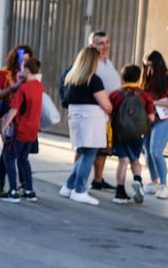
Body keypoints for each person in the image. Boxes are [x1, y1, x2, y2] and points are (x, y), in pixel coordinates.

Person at [60, 47, 113, 206]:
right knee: (89, 155)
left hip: (76, 119)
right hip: (91, 121)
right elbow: (107, 105)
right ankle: (80, 190)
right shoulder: (93, 80)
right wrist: (109, 107)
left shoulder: (71, 78)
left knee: (83, 154)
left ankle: (68, 186)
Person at [0, 55, 45, 203]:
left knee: (9, 157)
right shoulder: (39, 86)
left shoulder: (23, 88)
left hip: (21, 129)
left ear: (26, 69)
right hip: (33, 130)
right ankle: (29, 190)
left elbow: (14, 110)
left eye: (22, 68)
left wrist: (4, 126)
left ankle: (13, 191)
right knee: (24, 159)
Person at [0, 44, 33, 197]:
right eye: (22, 60)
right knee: (7, 151)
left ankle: (23, 186)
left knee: (22, 154)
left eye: (28, 61)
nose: (24, 64)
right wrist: (14, 87)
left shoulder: (31, 76)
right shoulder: (5, 73)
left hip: (25, 119)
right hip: (8, 117)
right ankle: (1, 183)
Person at [109, 64, 154, 205]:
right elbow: (152, 118)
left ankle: (120, 192)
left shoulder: (116, 94)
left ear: (122, 77)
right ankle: (137, 180)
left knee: (123, 161)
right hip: (138, 134)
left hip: (120, 133)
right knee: (135, 160)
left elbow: (109, 113)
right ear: (139, 77)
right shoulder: (145, 95)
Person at [142, 50, 168, 200]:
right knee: (147, 151)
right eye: (145, 66)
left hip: (165, 119)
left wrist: (153, 102)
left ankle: (164, 185)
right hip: (149, 119)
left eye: (150, 65)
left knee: (155, 151)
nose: (148, 69)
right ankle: (154, 181)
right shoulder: (147, 77)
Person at [88, 30, 121, 191]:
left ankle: (98, 179)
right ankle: (76, 180)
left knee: (103, 148)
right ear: (91, 45)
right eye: (100, 43)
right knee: (85, 147)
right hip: (95, 111)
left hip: (108, 112)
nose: (105, 46)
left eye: (107, 42)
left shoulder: (108, 62)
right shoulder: (90, 64)